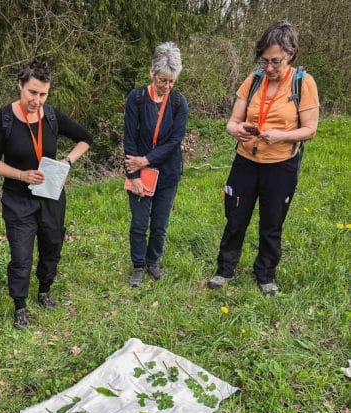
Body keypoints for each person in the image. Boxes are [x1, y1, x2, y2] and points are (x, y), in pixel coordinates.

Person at [208, 21, 319, 295]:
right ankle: (225, 270)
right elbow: (232, 122)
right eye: (264, 61)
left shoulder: (303, 83)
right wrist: (238, 129)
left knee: (272, 223)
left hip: (280, 166)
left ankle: (266, 275)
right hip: (246, 162)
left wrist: (280, 136)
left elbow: (310, 129)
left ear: (291, 53)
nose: (268, 68)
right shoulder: (253, 79)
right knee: (235, 219)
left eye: (275, 62)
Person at [0, 58, 93, 328]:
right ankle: (20, 305)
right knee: (21, 256)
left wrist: (66, 162)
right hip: (17, 198)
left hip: (51, 196)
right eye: (32, 92)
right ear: (20, 86)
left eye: (43, 94)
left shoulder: (52, 116)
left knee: (51, 246)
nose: (37, 100)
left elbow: (86, 138)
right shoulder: (4, 118)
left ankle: (44, 290)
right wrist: (22, 174)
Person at [124, 42, 188, 287]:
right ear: (152, 73)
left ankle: (153, 263)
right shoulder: (136, 99)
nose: (167, 86)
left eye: (172, 81)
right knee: (140, 223)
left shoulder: (179, 103)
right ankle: (138, 266)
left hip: (168, 173)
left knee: (160, 223)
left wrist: (148, 159)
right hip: (139, 173)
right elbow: (129, 138)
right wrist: (135, 173)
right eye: (163, 80)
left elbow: (175, 141)